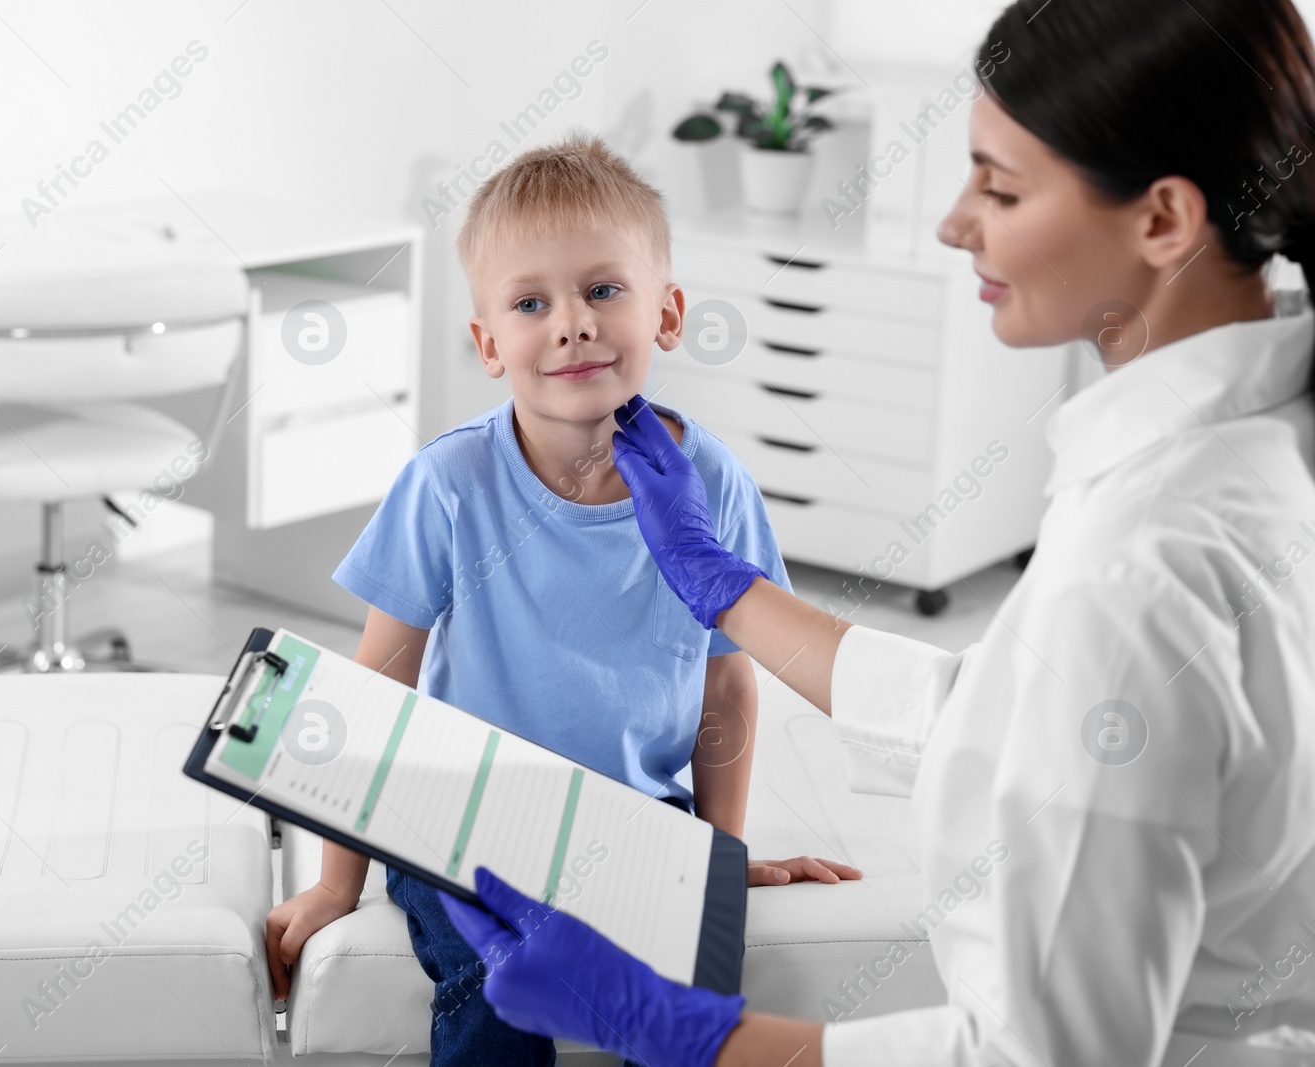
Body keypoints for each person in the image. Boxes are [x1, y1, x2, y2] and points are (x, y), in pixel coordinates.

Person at [437, 1, 1315, 1064]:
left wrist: (673, 1025)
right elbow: (1011, 713)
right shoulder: (1247, 452)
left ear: (1164, 220)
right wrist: (718, 584)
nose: (954, 221)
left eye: (998, 185)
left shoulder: (1140, 569)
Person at [262, 134, 858, 1067]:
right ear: (489, 344)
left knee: (692, 1000)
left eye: (604, 290)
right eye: (531, 302)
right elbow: (375, 686)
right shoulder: (449, 484)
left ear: (668, 312)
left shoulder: (714, 483)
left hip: (634, 815)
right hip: (457, 818)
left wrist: (719, 863)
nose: (572, 323)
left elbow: (728, 692)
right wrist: (338, 882)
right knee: (502, 987)